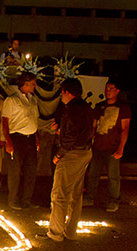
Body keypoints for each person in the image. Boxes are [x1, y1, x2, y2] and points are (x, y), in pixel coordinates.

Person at [39, 78, 94, 242]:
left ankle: (55, 233)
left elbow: (71, 136)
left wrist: (59, 154)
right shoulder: (84, 107)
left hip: (72, 154)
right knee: (76, 194)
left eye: (62, 92)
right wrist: (61, 131)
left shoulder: (72, 110)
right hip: (85, 152)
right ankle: (70, 231)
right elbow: (78, 131)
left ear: (68, 92)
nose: (61, 96)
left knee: (60, 194)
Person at [84, 81, 131, 212]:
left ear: (117, 91)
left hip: (113, 147)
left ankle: (113, 200)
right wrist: (90, 142)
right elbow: (94, 126)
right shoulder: (99, 107)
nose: (108, 91)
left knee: (113, 176)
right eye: (106, 89)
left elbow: (125, 128)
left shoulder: (123, 108)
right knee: (93, 174)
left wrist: (121, 147)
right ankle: (89, 196)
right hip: (98, 146)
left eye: (111, 89)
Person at [2, 72, 40, 209]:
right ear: (26, 83)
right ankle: (13, 200)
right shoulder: (12, 100)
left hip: (30, 139)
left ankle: (27, 200)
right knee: (15, 171)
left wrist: (36, 138)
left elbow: (34, 119)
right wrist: (8, 141)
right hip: (17, 138)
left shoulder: (33, 99)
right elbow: (5, 122)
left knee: (31, 170)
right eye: (33, 83)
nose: (35, 86)